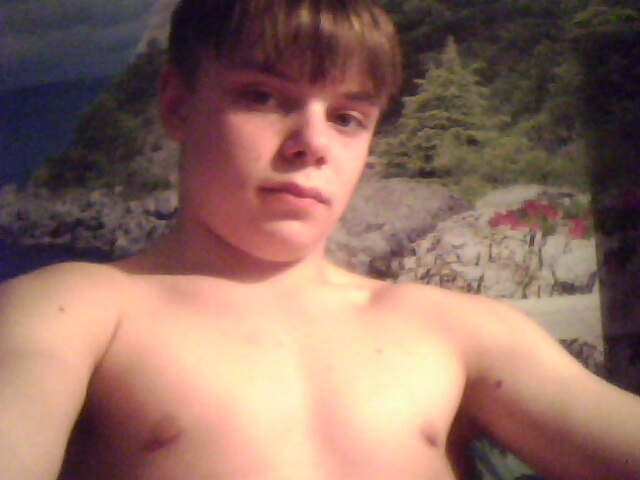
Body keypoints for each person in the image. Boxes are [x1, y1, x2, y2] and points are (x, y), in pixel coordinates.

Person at [1, 1, 639, 479]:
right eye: (262, 96)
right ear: (178, 104)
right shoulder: (74, 310)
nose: (312, 143)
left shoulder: (456, 329)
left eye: (347, 117)